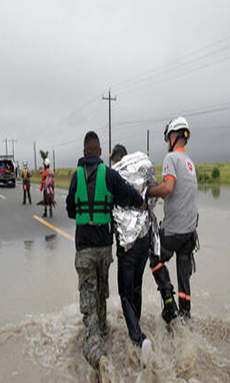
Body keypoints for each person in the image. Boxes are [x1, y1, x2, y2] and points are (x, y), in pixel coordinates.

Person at [66, 131, 145, 376]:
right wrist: (141, 202)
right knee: (101, 296)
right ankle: (103, 336)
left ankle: (98, 357)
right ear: (100, 153)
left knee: (89, 305)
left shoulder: (75, 177)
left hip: (85, 251)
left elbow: (70, 210)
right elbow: (128, 195)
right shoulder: (109, 175)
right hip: (104, 250)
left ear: (83, 152)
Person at [148, 116, 199, 323]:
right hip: (189, 232)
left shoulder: (170, 159)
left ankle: (169, 303)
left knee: (154, 258)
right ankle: (185, 316)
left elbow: (168, 188)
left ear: (173, 136)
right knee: (183, 278)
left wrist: (150, 191)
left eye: (168, 137)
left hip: (173, 230)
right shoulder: (190, 162)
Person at [111, 144, 153, 362]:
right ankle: (136, 325)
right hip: (144, 241)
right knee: (136, 287)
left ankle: (138, 339)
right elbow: (150, 201)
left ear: (115, 159)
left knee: (125, 293)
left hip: (127, 245)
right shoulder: (142, 173)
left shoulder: (114, 176)